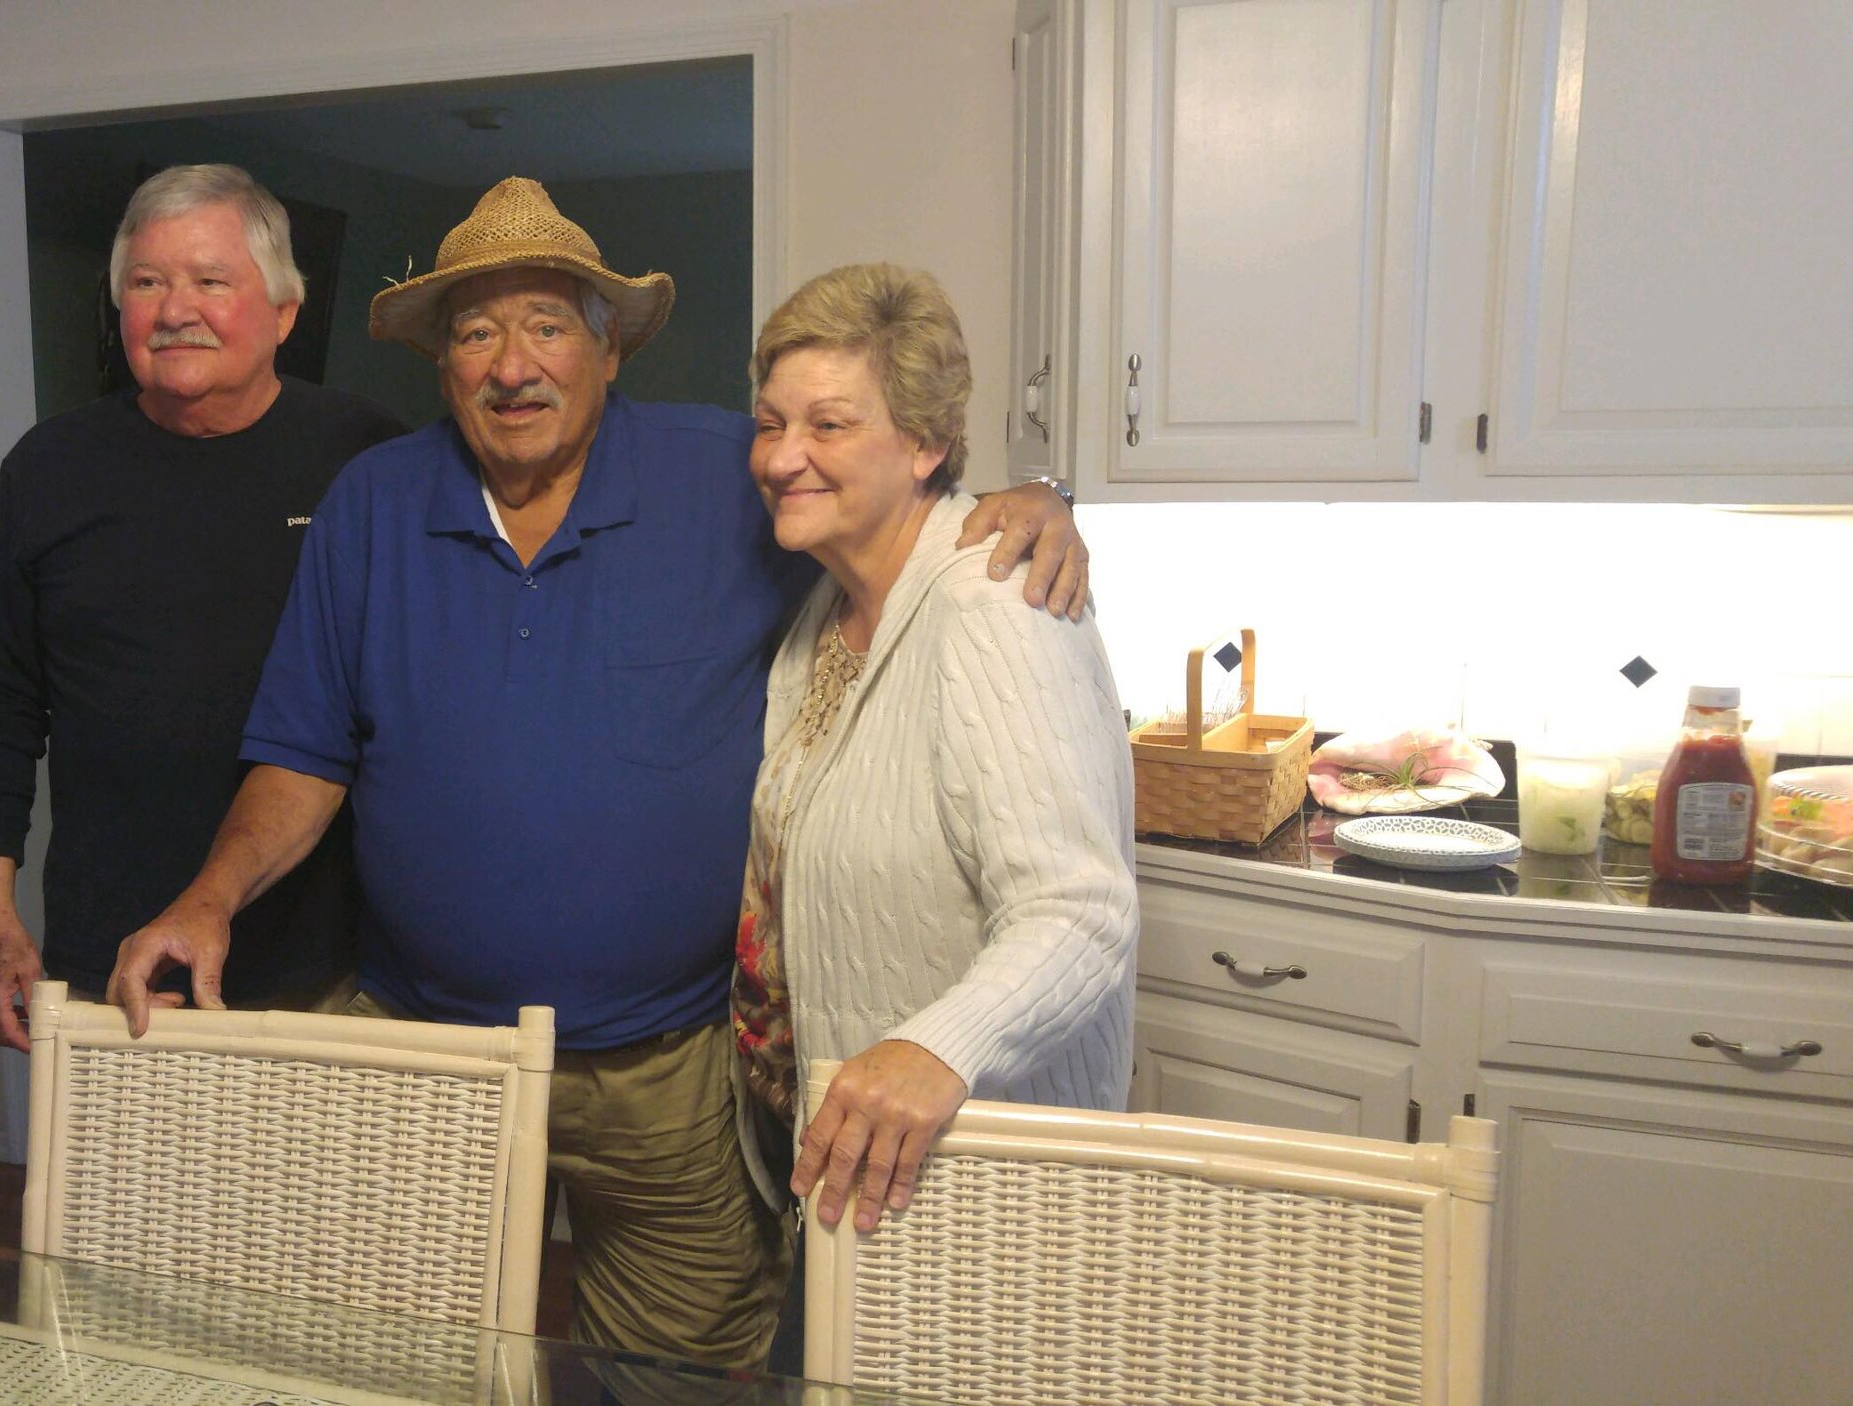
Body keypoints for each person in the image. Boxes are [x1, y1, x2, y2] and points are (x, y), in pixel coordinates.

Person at [105, 179, 1092, 1368]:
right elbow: (305, 750)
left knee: (683, 1377)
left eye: (547, 326)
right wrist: (208, 897)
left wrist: (1036, 500)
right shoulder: (371, 506)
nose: (511, 364)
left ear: (607, 348)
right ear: (441, 363)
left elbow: (880, 485)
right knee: (410, 1359)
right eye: (474, 332)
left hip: (669, 1068)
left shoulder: (730, 477)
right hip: (434, 1050)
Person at [0, 165, 405, 1051]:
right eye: (146, 283)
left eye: (210, 281)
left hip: (330, 965)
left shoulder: (366, 457)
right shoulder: (50, 469)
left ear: (283, 312)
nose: (173, 310)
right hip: (114, 967)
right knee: (112, 1196)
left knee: (308, 1195)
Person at [734, 263, 1138, 1247]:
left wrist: (930, 1046)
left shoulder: (994, 605)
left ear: (924, 443)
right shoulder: (822, 619)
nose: (783, 456)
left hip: (974, 1194)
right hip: (847, 1174)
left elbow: (1081, 913)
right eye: (768, 422)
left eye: (828, 424)